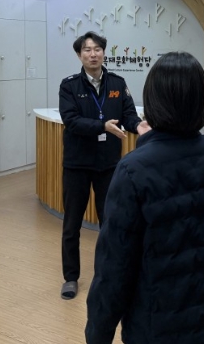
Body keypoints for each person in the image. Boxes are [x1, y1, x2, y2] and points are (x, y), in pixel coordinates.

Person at [85, 51, 204, 344]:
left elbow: (114, 270)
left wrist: (98, 334)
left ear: (152, 101)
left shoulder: (134, 170)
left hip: (159, 327)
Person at [58, 31, 149, 301]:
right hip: (77, 164)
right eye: (87, 50)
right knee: (72, 224)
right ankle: (70, 277)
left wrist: (138, 126)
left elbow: (128, 114)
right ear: (79, 55)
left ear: (103, 53)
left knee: (110, 223)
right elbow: (71, 120)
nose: (93, 54)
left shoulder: (117, 83)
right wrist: (102, 126)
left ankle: (109, 274)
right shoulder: (69, 86)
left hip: (108, 164)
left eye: (97, 49)